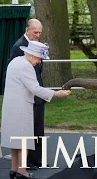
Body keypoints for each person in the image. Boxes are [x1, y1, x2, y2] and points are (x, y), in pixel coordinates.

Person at [1, 41, 70, 179]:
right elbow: (35, 88)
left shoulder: (15, 61)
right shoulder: (26, 66)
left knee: (16, 139)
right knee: (25, 139)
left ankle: (14, 169)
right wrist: (56, 93)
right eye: (39, 58)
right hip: (21, 107)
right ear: (33, 55)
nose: (39, 62)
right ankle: (22, 171)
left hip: (10, 105)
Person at [7, 19, 45, 169]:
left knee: (37, 129)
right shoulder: (19, 47)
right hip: (27, 94)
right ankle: (26, 164)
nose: (37, 35)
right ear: (27, 30)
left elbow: (38, 70)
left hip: (37, 92)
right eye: (35, 32)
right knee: (28, 130)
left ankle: (35, 161)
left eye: (40, 32)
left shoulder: (36, 46)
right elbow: (14, 72)